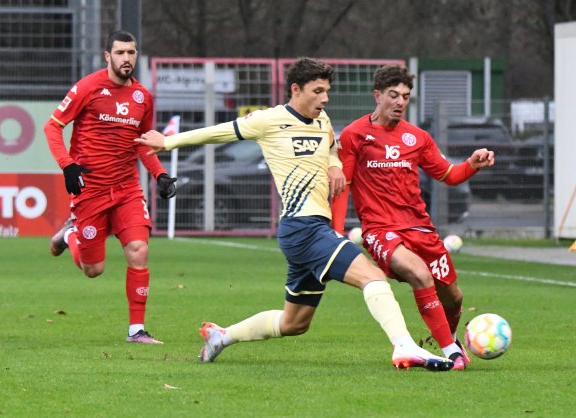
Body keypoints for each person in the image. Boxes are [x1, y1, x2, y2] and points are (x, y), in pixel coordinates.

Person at [135, 57, 454, 371]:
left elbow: (330, 146)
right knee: (372, 276)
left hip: (305, 231)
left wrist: (332, 165)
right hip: (305, 227)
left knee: (294, 322)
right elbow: (220, 132)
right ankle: (404, 345)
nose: (324, 98)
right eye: (318, 91)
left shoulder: (322, 120)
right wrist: (169, 142)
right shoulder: (268, 120)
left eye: (327, 91)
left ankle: (223, 336)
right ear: (296, 89)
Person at [331, 64, 496, 370]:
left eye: (405, 96)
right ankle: (453, 354)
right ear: (377, 95)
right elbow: (344, 185)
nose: (399, 102)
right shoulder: (356, 135)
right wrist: (337, 231)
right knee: (419, 274)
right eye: (393, 95)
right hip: (381, 230)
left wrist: (472, 163)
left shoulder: (417, 137)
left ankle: (450, 338)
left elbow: (448, 174)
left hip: (421, 229)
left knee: (454, 298)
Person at [44, 30, 177, 344]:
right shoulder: (88, 88)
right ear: (108, 56)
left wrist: (160, 174)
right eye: (120, 53)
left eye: (131, 53)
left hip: (127, 188)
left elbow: (144, 144)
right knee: (94, 269)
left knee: (139, 250)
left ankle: (136, 330)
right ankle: (69, 234)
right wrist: (67, 164)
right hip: (90, 189)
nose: (126, 59)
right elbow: (52, 126)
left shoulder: (143, 97)